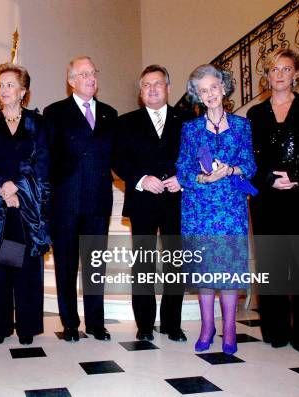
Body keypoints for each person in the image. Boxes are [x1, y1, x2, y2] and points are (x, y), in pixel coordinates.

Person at [248, 49, 299, 352]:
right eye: (273, 69)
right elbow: (253, 158)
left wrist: (292, 176)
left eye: (285, 68)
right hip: (268, 200)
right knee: (272, 264)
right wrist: (270, 179)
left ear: (296, 74)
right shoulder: (255, 114)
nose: (278, 74)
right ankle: (275, 332)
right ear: (266, 75)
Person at [176, 64, 256, 355]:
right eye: (202, 90)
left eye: (213, 87)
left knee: (229, 270)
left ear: (224, 88)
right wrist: (201, 176)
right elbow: (182, 167)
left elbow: (250, 164)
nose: (209, 94)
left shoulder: (243, 125)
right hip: (199, 207)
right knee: (206, 271)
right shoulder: (190, 129)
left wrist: (231, 170)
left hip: (230, 206)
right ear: (197, 96)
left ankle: (230, 328)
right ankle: (207, 327)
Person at [0, 63, 51, 346]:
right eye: (0, 85)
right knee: (0, 265)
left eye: (9, 85)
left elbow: (41, 163)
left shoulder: (36, 124)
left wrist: (19, 188)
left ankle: (27, 326)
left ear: (23, 91)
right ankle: (0, 327)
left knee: (26, 265)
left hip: (25, 207)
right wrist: (2, 189)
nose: (3, 90)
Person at [44, 56, 116, 342]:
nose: (90, 78)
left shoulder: (110, 113)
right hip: (67, 201)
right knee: (66, 264)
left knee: (95, 265)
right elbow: (47, 159)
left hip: (99, 200)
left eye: (93, 72)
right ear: (71, 81)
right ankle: (70, 323)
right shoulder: (55, 112)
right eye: (84, 74)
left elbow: (118, 155)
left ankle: (96, 323)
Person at [113, 65, 186, 342]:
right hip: (142, 201)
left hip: (175, 201)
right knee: (143, 264)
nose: (152, 89)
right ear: (140, 91)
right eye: (146, 85)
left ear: (168, 87)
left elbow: (196, 157)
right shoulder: (126, 122)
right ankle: (144, 325)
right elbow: (118, 160)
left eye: (157, 84)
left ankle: (172, 324)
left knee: (175, 265)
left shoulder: (186, 121)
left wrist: (184, 178)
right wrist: (142, 179)